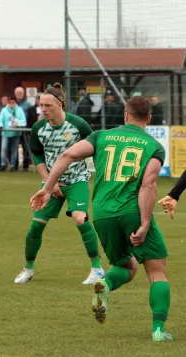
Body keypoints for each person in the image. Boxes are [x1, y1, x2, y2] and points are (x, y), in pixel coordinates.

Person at [30, 96, 172, 342]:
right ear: (148, 119)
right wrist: (145, 222)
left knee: (127, 266)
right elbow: (148, 184)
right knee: (157, 271)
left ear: (125, 116)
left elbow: (66, 156)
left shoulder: (101, 136)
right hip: (131, 211)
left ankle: (105, 284)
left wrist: (46, 187)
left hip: (103, 213)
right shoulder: (154, 146)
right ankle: (158, 330)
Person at [14, 83, 104, 285]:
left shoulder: (79, 125)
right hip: (51, 185)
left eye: (47, 105)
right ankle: (28, 268)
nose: (43, 110)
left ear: (60, 105)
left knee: (81, 219)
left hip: (77, 180)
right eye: (41, 105)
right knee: (35, 228)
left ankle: (97, 268)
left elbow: (95, 146)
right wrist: (49, 182)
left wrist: (101, 173)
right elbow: (36, 154)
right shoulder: (38, 128)